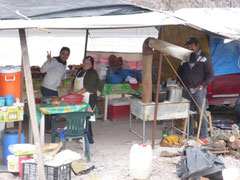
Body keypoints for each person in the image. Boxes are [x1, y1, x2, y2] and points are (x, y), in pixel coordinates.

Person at [176, 37, 214, 139]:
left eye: (192, 45)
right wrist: (178, 81)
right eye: (188, 46)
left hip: (199, 90)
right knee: (188, 113)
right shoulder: (185, 58)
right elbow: (179, 72)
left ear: (197, 46)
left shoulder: (205, 58)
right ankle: (189, 133)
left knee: (201, 112)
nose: (190, 47)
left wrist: (202, 85)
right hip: (186, 90)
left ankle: (203, 135)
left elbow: (210, 75)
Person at [40, 47, 70, 132]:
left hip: (54, 88)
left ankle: (50, 127)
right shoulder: (53, 60)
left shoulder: (65, 63)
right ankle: (47, 128)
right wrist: (48, 61)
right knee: (50, 108)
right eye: (63, 53)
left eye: (67, 54)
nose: (64, 56)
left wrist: (67, 76)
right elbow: (42, 70)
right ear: (60, 53)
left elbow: (62, 76)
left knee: (55, 108)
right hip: (46, 87)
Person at [70, 56, 99, 144]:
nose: (85, 65)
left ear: (92, 65)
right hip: (78, 96)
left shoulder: (93, 74)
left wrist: (75, 94)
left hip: (88, 97)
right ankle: (81, 133)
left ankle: (87, 136)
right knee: (79, 115)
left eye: (88, 64)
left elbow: (87, 87)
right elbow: (74, 81)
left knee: (86, 116)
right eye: (84, 63)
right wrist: (72, 89)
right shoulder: (80, 71)